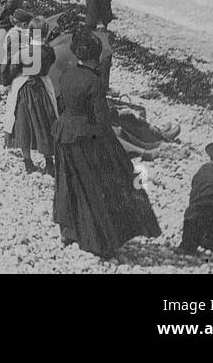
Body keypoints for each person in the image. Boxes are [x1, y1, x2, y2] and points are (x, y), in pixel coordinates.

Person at [52, 28, 160, 258]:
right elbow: (103, 122)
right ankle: (100, 241)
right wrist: (119, 151)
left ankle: (68, 231)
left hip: (64, 133)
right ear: (97, 56)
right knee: (99, 187)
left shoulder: (67, 74)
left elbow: (62, 104)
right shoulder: (95, 82)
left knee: (69, 183)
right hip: (86, 138)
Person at [3, 38, 57, 175]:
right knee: (44, 123)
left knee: (23, 125)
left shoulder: (22, 52)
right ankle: (49, 160)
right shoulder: (49, 52)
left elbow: (10, 71)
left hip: (23, 87)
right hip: (41, 87)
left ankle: (28, 161)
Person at [84, 0, 116, 90]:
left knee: (103, 55)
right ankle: (102, 86)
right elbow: (91, 4)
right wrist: (97, 22)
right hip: (97, 25)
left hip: (100, 24)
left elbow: (106, 0)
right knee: (105, 55)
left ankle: (102, 85)